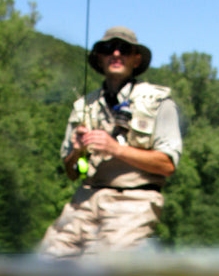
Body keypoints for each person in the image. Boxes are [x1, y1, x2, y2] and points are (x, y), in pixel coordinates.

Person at [39, 26, 182, 257]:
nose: (116, 54)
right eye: (108, 49)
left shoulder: (159, 103)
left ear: (136, 59)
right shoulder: (83, 106)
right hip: (85, 198)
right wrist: (76, 152)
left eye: (124, 49)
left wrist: (115, 149)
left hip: (135, 200)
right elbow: (72, 172)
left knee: (101, 268)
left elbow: (167, 165)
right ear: (99, 57)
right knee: (45, 263)